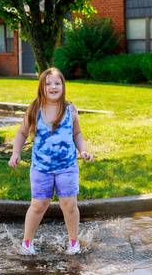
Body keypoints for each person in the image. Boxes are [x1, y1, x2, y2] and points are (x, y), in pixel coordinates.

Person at [8, 67, 93, 256]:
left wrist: (83, 151)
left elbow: (77, 133)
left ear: (63, 86)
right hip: (41, 167)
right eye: (48, 84)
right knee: (39, 205)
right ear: (41, 87)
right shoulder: (34, 109)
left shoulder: (70, 109)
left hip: (67, 166)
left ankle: (73, 242)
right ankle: (27, 243)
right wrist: (16, 153)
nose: (53, 87)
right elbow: (22, 132)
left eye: (57, 83)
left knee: (69, 205)